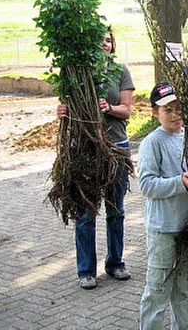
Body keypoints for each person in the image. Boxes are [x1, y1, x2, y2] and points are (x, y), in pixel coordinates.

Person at [56, 27, 134, 290]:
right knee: (86, 213)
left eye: (108, 39)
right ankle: (86, 270)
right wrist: (63, 110)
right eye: (99, 39)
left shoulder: (120, 70)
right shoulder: (78, 73)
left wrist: (110, 108)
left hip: (116, 147)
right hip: (86, 149)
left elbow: (127, 111)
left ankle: (115, 263)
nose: (104, 43)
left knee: (116, 210)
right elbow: (68, 107)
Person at [138, 82, 188, 330]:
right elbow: (146, 185)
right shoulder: (152, 142)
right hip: (164, 229)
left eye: (179, 109)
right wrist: (180, 183)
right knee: (157, 292)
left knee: (184, 291)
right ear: (154, 113)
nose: (175, 115)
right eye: (167, 110)